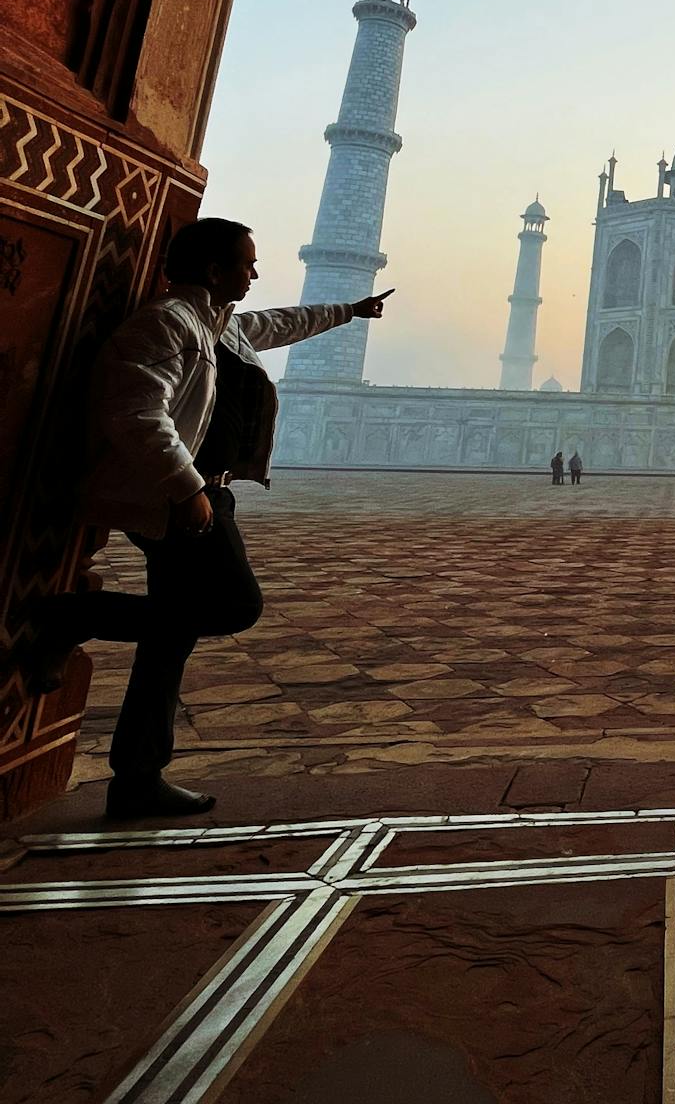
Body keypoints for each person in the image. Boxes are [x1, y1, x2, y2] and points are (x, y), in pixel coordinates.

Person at [9, 218, 390, 819]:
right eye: (246, 263)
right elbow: (135, 410)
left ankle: (137, 779)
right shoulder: (166, 323)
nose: (255, 273)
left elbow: (281, 323)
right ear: (214, 270)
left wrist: (349, 311)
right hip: (176, 499)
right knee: (235, 606)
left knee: (169, 636)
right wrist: (187, 487)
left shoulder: (217, 326)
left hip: (202, 492)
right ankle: (69, 615)